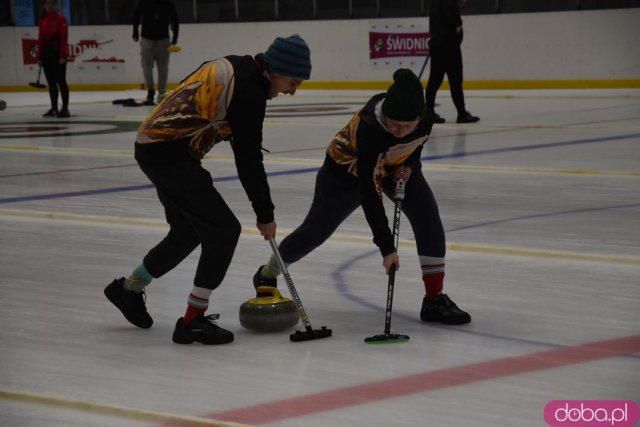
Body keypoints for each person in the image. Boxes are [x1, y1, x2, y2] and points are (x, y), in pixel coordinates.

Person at [104, 34, 312, 344]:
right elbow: (249, 160)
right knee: (223, 230)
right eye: (293, 82)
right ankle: (192, 321)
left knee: (188, 231)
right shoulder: (250, 90)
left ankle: (128, 290)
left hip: (156, 146)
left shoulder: (237, 66)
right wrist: (264, 213)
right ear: (277, 70)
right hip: (168, 154)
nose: (293, 91)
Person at [253, 69, 471, 325]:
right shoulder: (371, 127)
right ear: (385, 116)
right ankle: (267, 274)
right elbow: (370, 192)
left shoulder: (425, 119)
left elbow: (416, 143)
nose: (400, 132)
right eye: (394, 125)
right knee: (316, 230)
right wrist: (387, 248)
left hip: (392, 166)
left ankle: (434, 298)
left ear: (420, 117)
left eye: (407, 126)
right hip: (346, 172)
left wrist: (410, 164)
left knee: (428, 218)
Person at [425, 0, 478, 124]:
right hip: (449, 46)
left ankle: (429, 112)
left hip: (438, 44)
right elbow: (452, 17)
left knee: (435, 80)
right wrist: (459, 22)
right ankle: (461, 113)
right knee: (455, 81)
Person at [132, 0, 179, 105]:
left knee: (163, 68)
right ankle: (150, 91)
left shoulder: (168, 4)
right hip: (146, 40)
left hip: (163, 40)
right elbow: (136, 15)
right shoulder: (144, 3)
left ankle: (162, 92)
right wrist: (135, 32)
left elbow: (175, 19)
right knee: (146, 67)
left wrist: (175, 37)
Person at [37, 0, 70, 118]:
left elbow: (64, 38)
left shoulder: (61, 19)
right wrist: (40, 56)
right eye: (47, 4)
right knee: (51, 83)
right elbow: (40, 38)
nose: (50, 6)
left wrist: (62, 55)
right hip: (46, 55)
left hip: (57, 54)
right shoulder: (43, 20)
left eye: (51, 3)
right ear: (44, 5)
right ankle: (54, 108)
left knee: (61, 81)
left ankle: (65, 108)